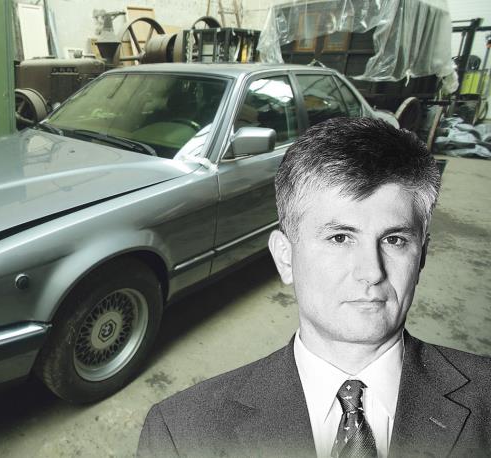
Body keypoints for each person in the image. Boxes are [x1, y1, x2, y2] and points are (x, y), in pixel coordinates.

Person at [137, 117, 491, 458]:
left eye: (394, 240)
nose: (371, 272)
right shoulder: (181, 434)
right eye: (340, 237)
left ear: (422, 257)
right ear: (285, 258)